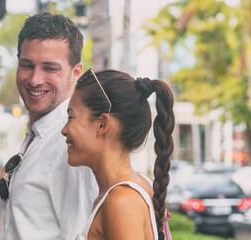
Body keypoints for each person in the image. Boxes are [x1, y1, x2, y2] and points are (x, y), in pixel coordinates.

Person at [0, 12, 97, 240]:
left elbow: (79, 234)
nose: (34, 80)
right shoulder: (36, 132)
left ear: (76, 72)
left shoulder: (73, 143)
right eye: (27, 65)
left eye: (50, 68)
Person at [62, 69, 175, 240]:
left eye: (70, 118)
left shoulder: (122, 200)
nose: (64, 130)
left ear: (102, 124)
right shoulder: (140, 185)